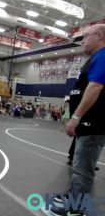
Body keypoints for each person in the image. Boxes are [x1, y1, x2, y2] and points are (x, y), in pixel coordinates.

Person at [50, 24, 105, 216]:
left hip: (93, 124)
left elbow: (95, 87)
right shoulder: (96, 58)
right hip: (87, 124)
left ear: (99, 36)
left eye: (86, 36)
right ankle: (73, 196)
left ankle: (75, 209)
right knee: (79, 166)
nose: (83, 40)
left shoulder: (104, 55)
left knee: (83, 169)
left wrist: (75, 117)